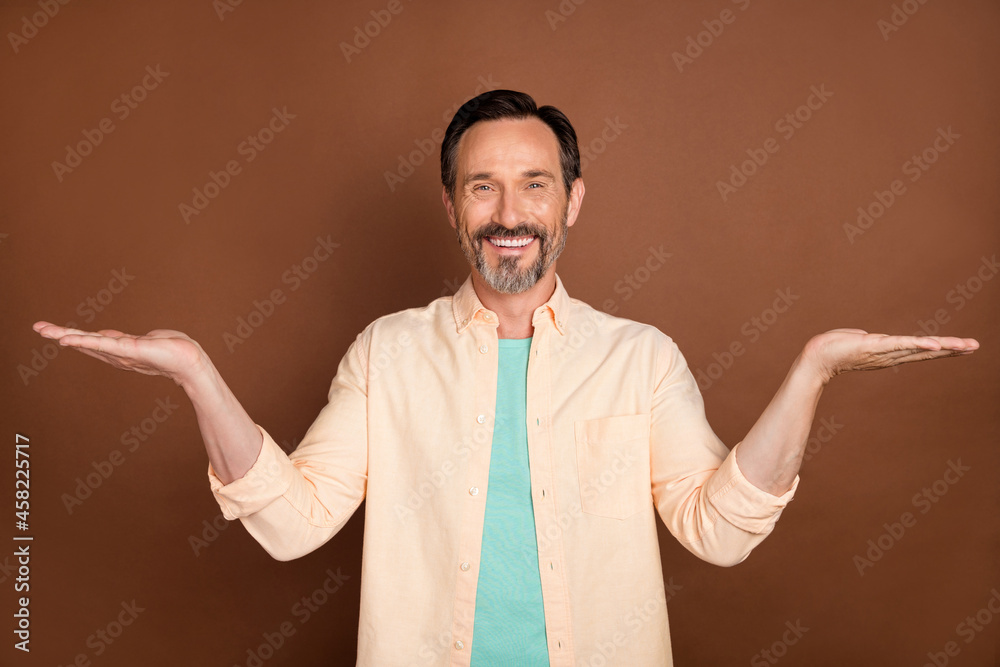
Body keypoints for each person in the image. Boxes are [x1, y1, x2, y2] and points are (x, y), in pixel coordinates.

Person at [33, 90, 979, 666]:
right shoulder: (387, 353)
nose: (509, 212)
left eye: (534, 183)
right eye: (482, 186)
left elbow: (720, 530)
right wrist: (196, 373)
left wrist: (813, 370)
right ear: (451, 205)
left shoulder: (639, 357)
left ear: (573, 200)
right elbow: (292, 522)